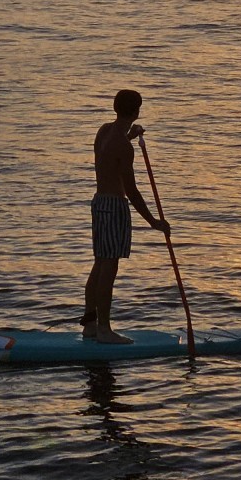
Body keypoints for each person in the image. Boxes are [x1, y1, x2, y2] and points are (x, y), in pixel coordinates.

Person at [81, 89, 170, 343]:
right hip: (113, 206)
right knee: (109, 267)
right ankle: (104, 330)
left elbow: (112, 155)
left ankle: (90, 324)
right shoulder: (123, 146)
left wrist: (131, 136)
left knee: (100, 264)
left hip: (99, 203)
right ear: (136, 111)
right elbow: (131, 190)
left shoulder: (105, 131)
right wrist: (154, 222)